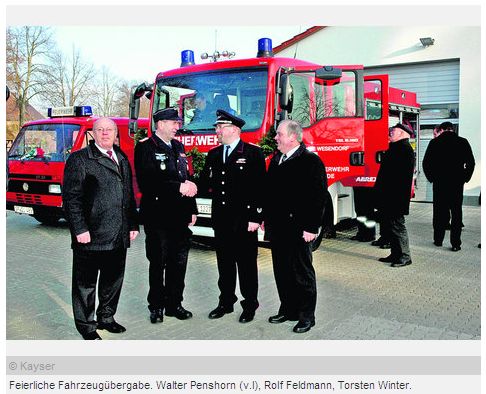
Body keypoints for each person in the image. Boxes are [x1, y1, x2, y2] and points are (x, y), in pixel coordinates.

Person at [63, 117, 139, 340]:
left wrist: (132, 223)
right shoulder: (80, 159)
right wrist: (79, 229)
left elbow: (128, 194)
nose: (105, 133)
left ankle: (106, 318)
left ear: (116, 133)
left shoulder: (121, 157)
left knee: (112, 280)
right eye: (100, 130)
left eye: (109, 130)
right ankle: (87, 327)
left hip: (118, 234)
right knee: (85, 284)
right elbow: (71, 198)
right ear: (93, 134)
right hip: (91, 235)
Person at [199, 109, 266, 323]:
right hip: (222, 220)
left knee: (246, 265)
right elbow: (206, 184)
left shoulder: (253, 154)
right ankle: (226, 302)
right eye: (217, 127)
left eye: (220, 127)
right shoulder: (214, 154)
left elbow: (259, 188)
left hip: (244, 221)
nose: (217, 130)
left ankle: (250, 305)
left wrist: (256, 217)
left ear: (234, 130)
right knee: (224, 265)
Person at [134, 108, 198, 324]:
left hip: (180, 217)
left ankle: (174, 304)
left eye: (177, 123)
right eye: (173, 123)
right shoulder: (145, 148)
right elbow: (148, 182)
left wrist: (192, 210)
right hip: (158, 217)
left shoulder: (178, 147)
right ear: (160, 124)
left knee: (178, 263)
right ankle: (157, 306)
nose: (177, 127)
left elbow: (186, 178)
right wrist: (178, 188)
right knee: (158, 262)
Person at [264, 120, 327, 333]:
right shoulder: (276, 159)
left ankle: (307, 316)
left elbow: (318, 198)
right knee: (282, 272)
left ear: (292, 137)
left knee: (302, 273)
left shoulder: (311, 161)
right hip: (278, 228)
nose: (276, 138)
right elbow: (270, 193)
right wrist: (265, 217)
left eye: (279, 134)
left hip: (300, 229)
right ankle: (288, 309)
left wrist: (312, 227)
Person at [422, 121, 475, 251]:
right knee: (456, 212)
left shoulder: (434, 143)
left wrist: (432, 178)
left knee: (439, 211)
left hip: (440, 183)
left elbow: (426, 163)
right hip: (456, 183)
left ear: (442, 129)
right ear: (452, 129)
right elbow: (471, 163)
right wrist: (465, 178)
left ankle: (438, 240)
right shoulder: (462, 142)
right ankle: (455, 243)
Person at [374, 123, 415, 267]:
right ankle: (395, 254)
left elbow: (399, 178)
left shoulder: (404, 150)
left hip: (395, 197)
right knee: (391, 226)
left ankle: (405, 256)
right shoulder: (395, 149)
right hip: (388, 196)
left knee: (398, 226)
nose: (390, 132)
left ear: (403, 134)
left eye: (394, 131)